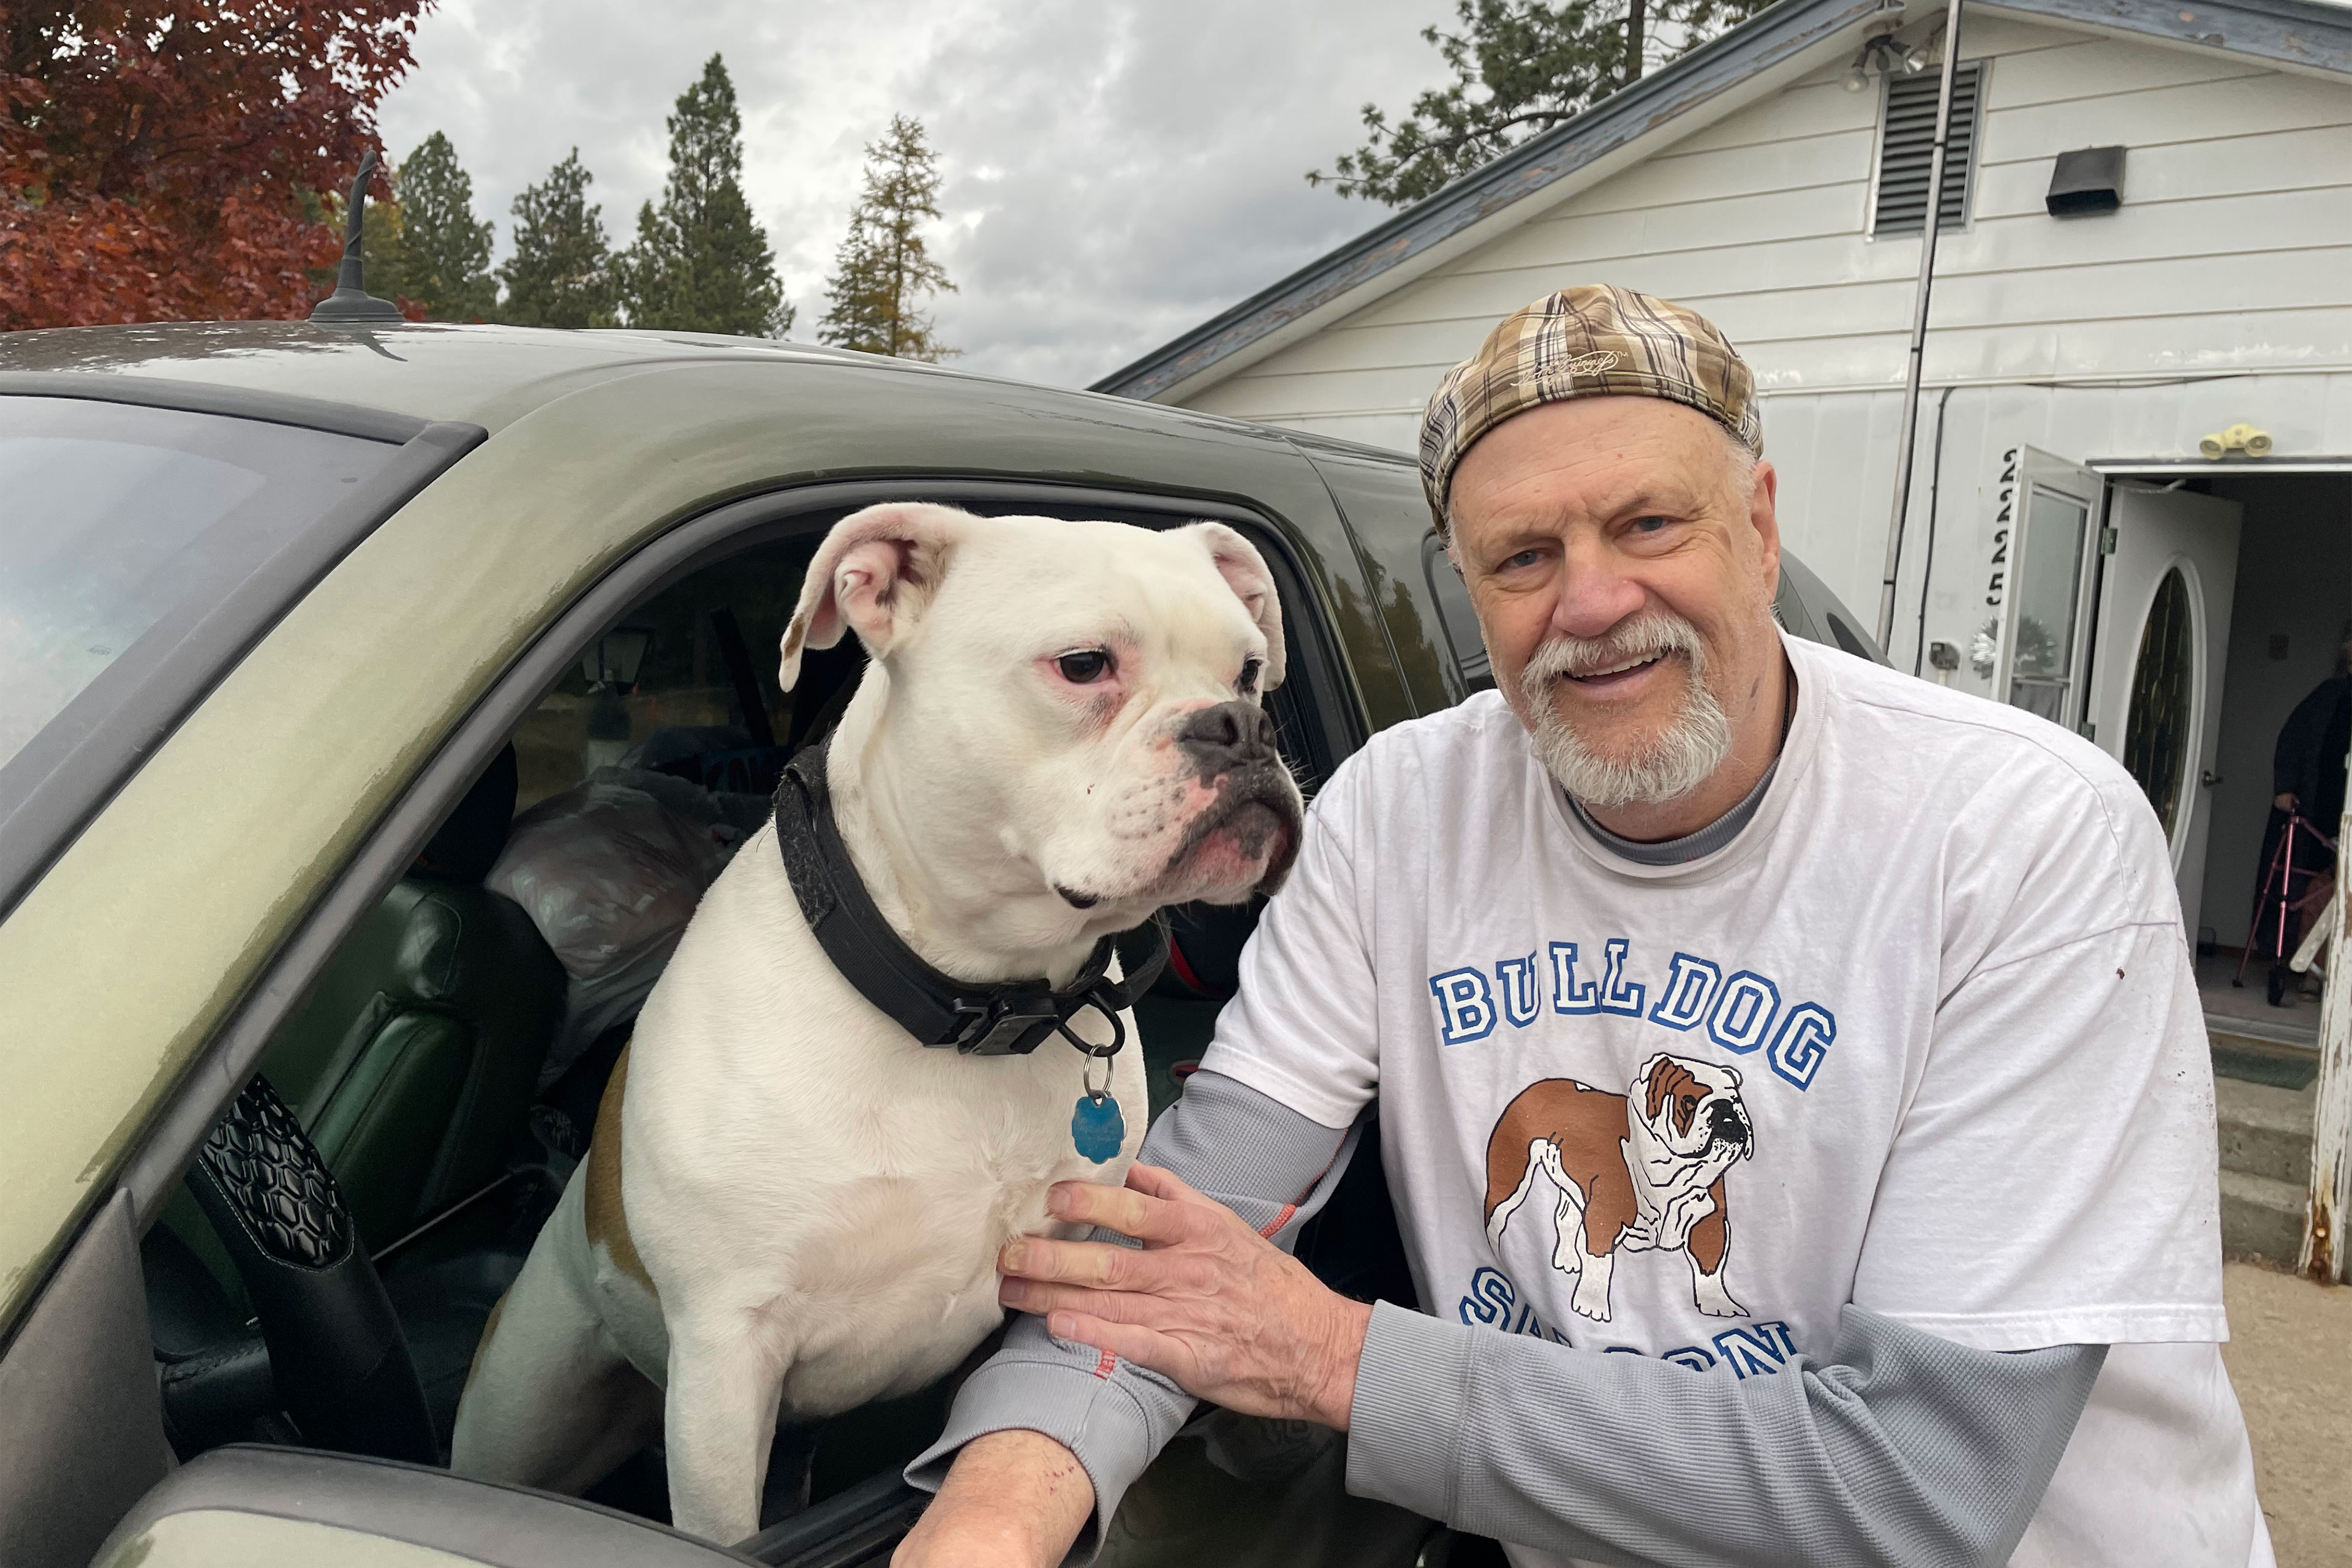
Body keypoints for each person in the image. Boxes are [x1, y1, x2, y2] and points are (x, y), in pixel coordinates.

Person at [895, 287, 2269, 1568]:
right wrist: (998, 1510)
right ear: (1466, 583)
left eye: (1650, 526)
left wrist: (1334, 1357)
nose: (1593, 602)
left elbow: (1914, 1486)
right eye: (1524, 556)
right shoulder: (1399, 813)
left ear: (1763, 525)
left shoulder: (2022, 834)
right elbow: (1180, 1235)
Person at [2253, 639, 2351, 1003]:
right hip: (2318, 815)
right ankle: (2308, 972)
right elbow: (2294, 739)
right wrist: (2285, 787)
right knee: (2311, 891)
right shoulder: (2329, 696)